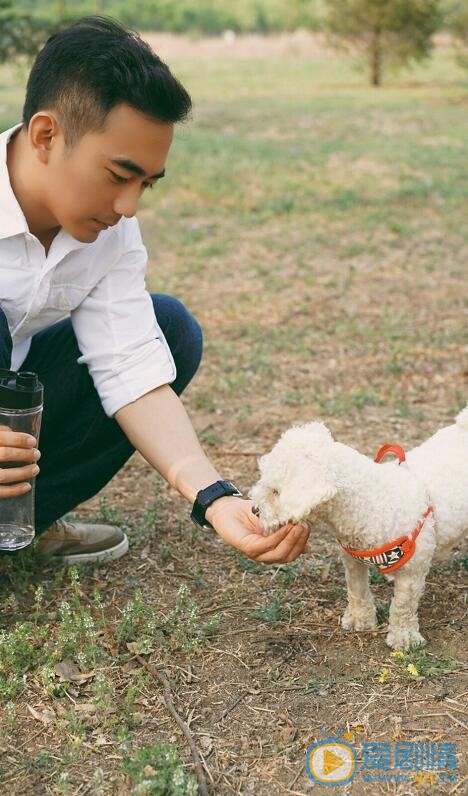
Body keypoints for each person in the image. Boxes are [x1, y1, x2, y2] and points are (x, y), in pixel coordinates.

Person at [0, 16, 310, 566]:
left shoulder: (112, 231)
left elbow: (130, 364)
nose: (129, 206)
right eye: (119, 175)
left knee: (168, 329)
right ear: (47, 135)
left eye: (146, 183)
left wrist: (213, 498)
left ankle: (23, 523)